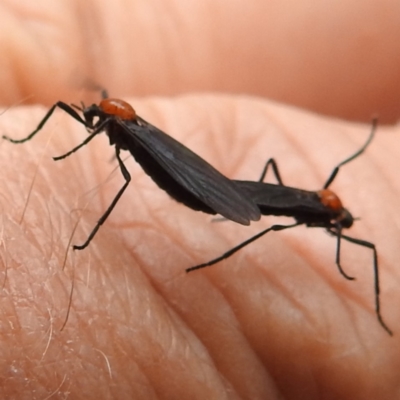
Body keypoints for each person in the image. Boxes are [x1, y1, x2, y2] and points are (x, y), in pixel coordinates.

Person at [0, 2, 398, 398]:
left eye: (96, 118)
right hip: (214, 187)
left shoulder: (122, 124)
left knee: (135, 178)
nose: (90, 116)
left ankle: (221, 218)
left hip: (198, 185)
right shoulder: (118, 119)